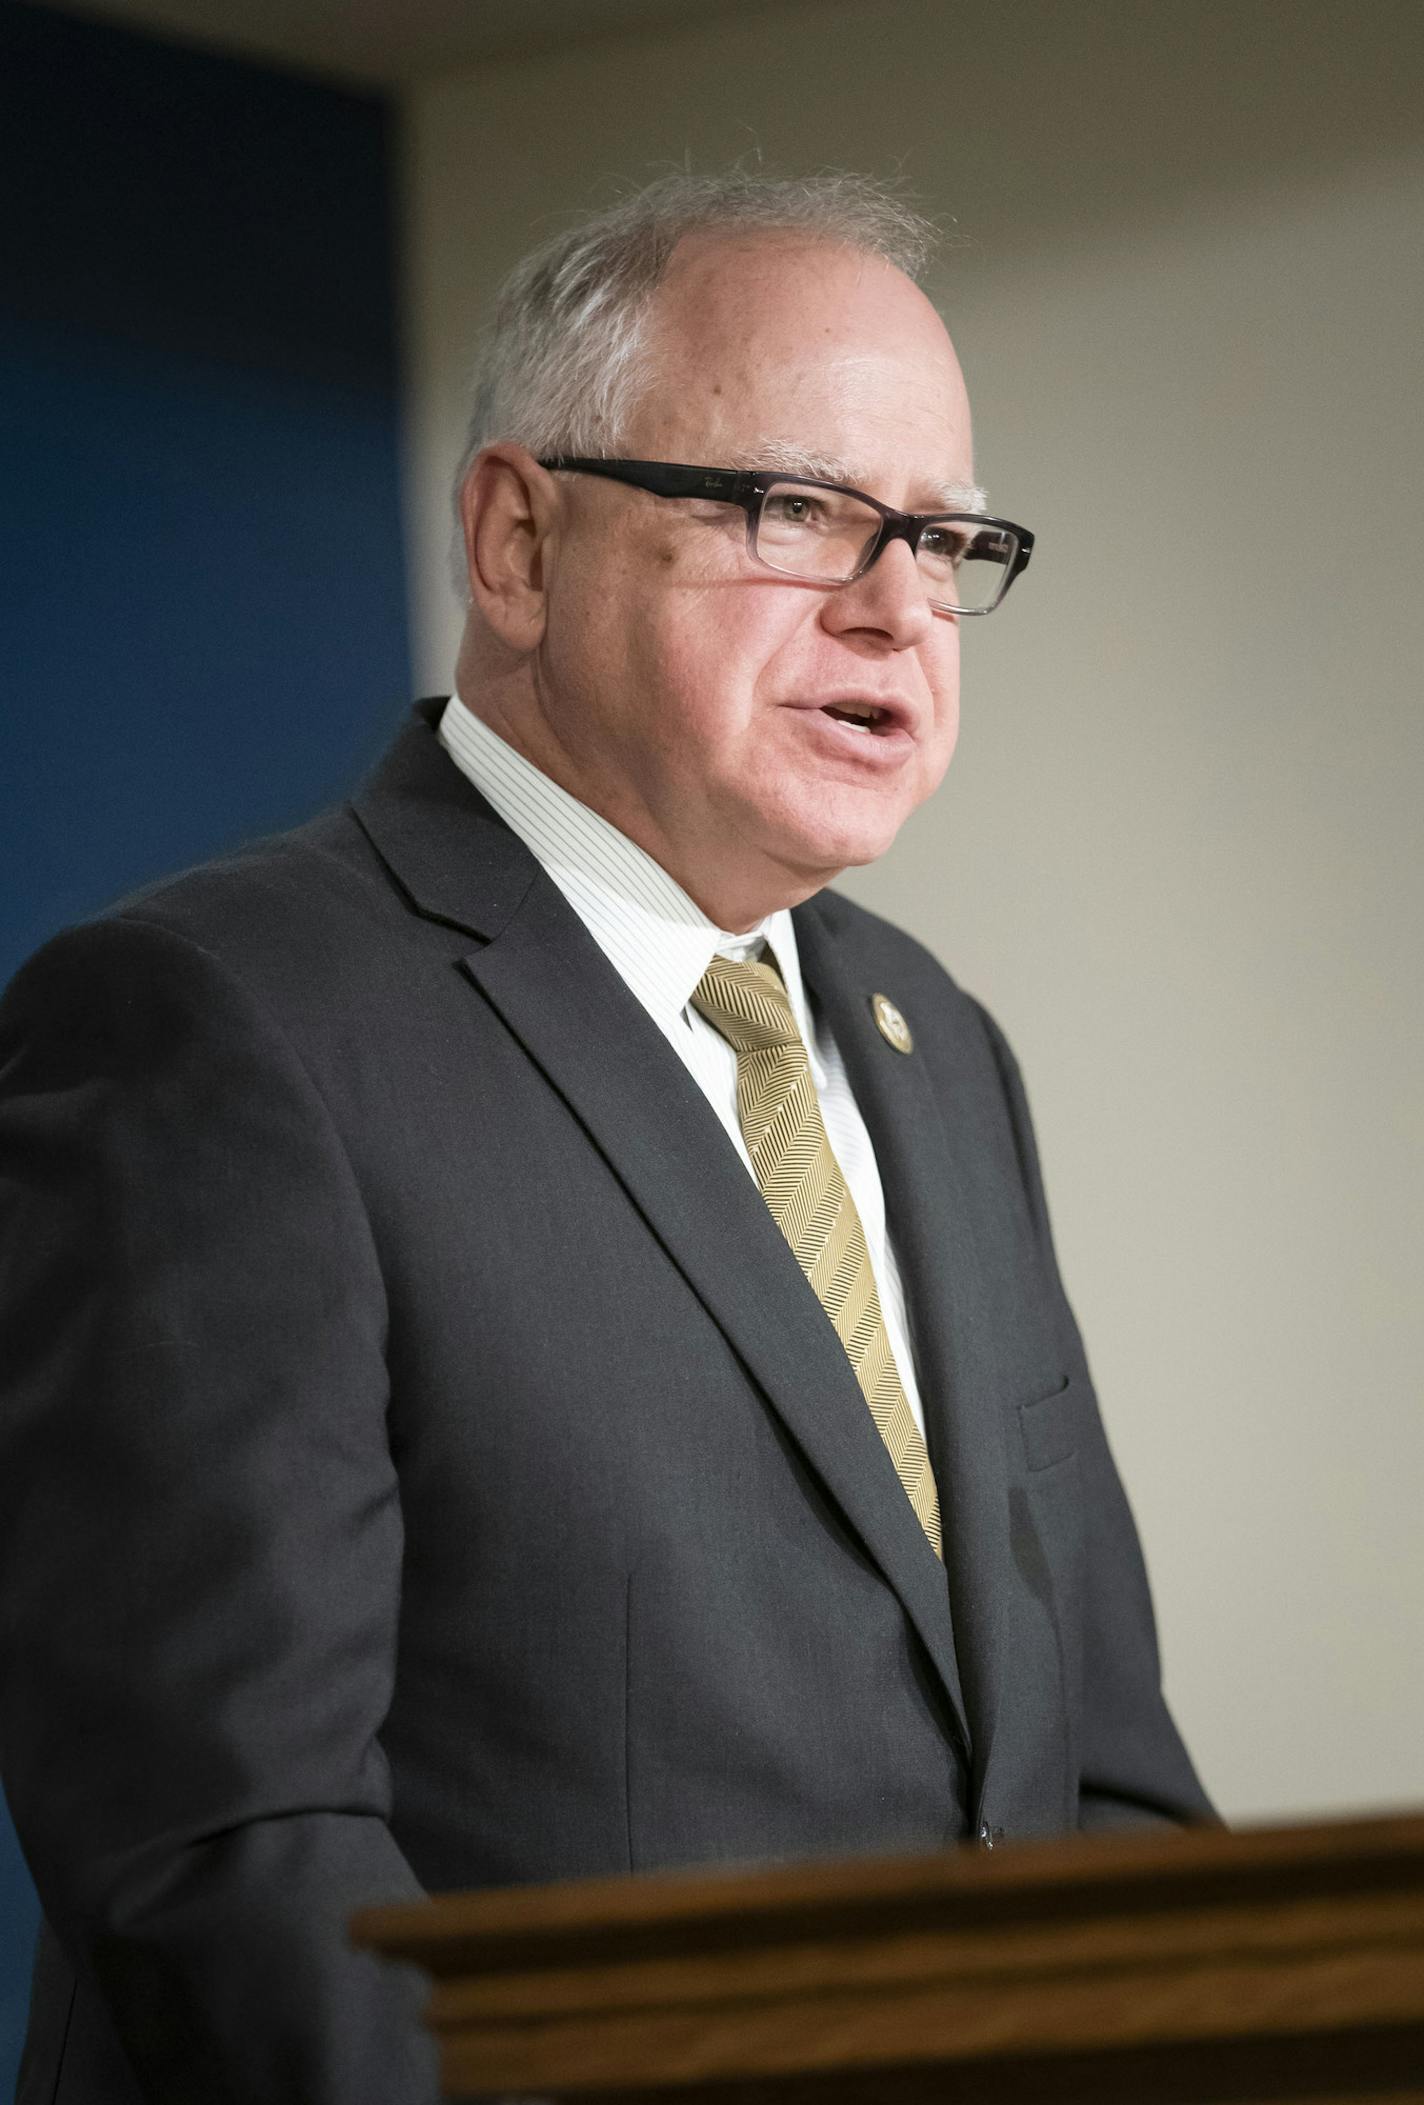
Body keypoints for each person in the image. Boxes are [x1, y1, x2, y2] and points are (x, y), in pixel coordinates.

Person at [0, 171, 1212, 2105]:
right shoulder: (216, 1025)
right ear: (516, 541)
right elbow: (229, 1855)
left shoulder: (935, 1048)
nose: (900, 604)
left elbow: (1107, 1786)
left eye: (947, 534)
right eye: (802, 510)